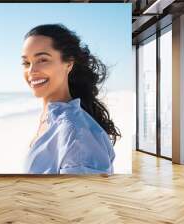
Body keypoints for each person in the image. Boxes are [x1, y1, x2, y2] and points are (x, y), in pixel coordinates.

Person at [21, 24, 121, 174]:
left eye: (42, 60)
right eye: (26, 63)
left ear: (68, 64)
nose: (31, 71)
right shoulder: (50, 117)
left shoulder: (76, 134)